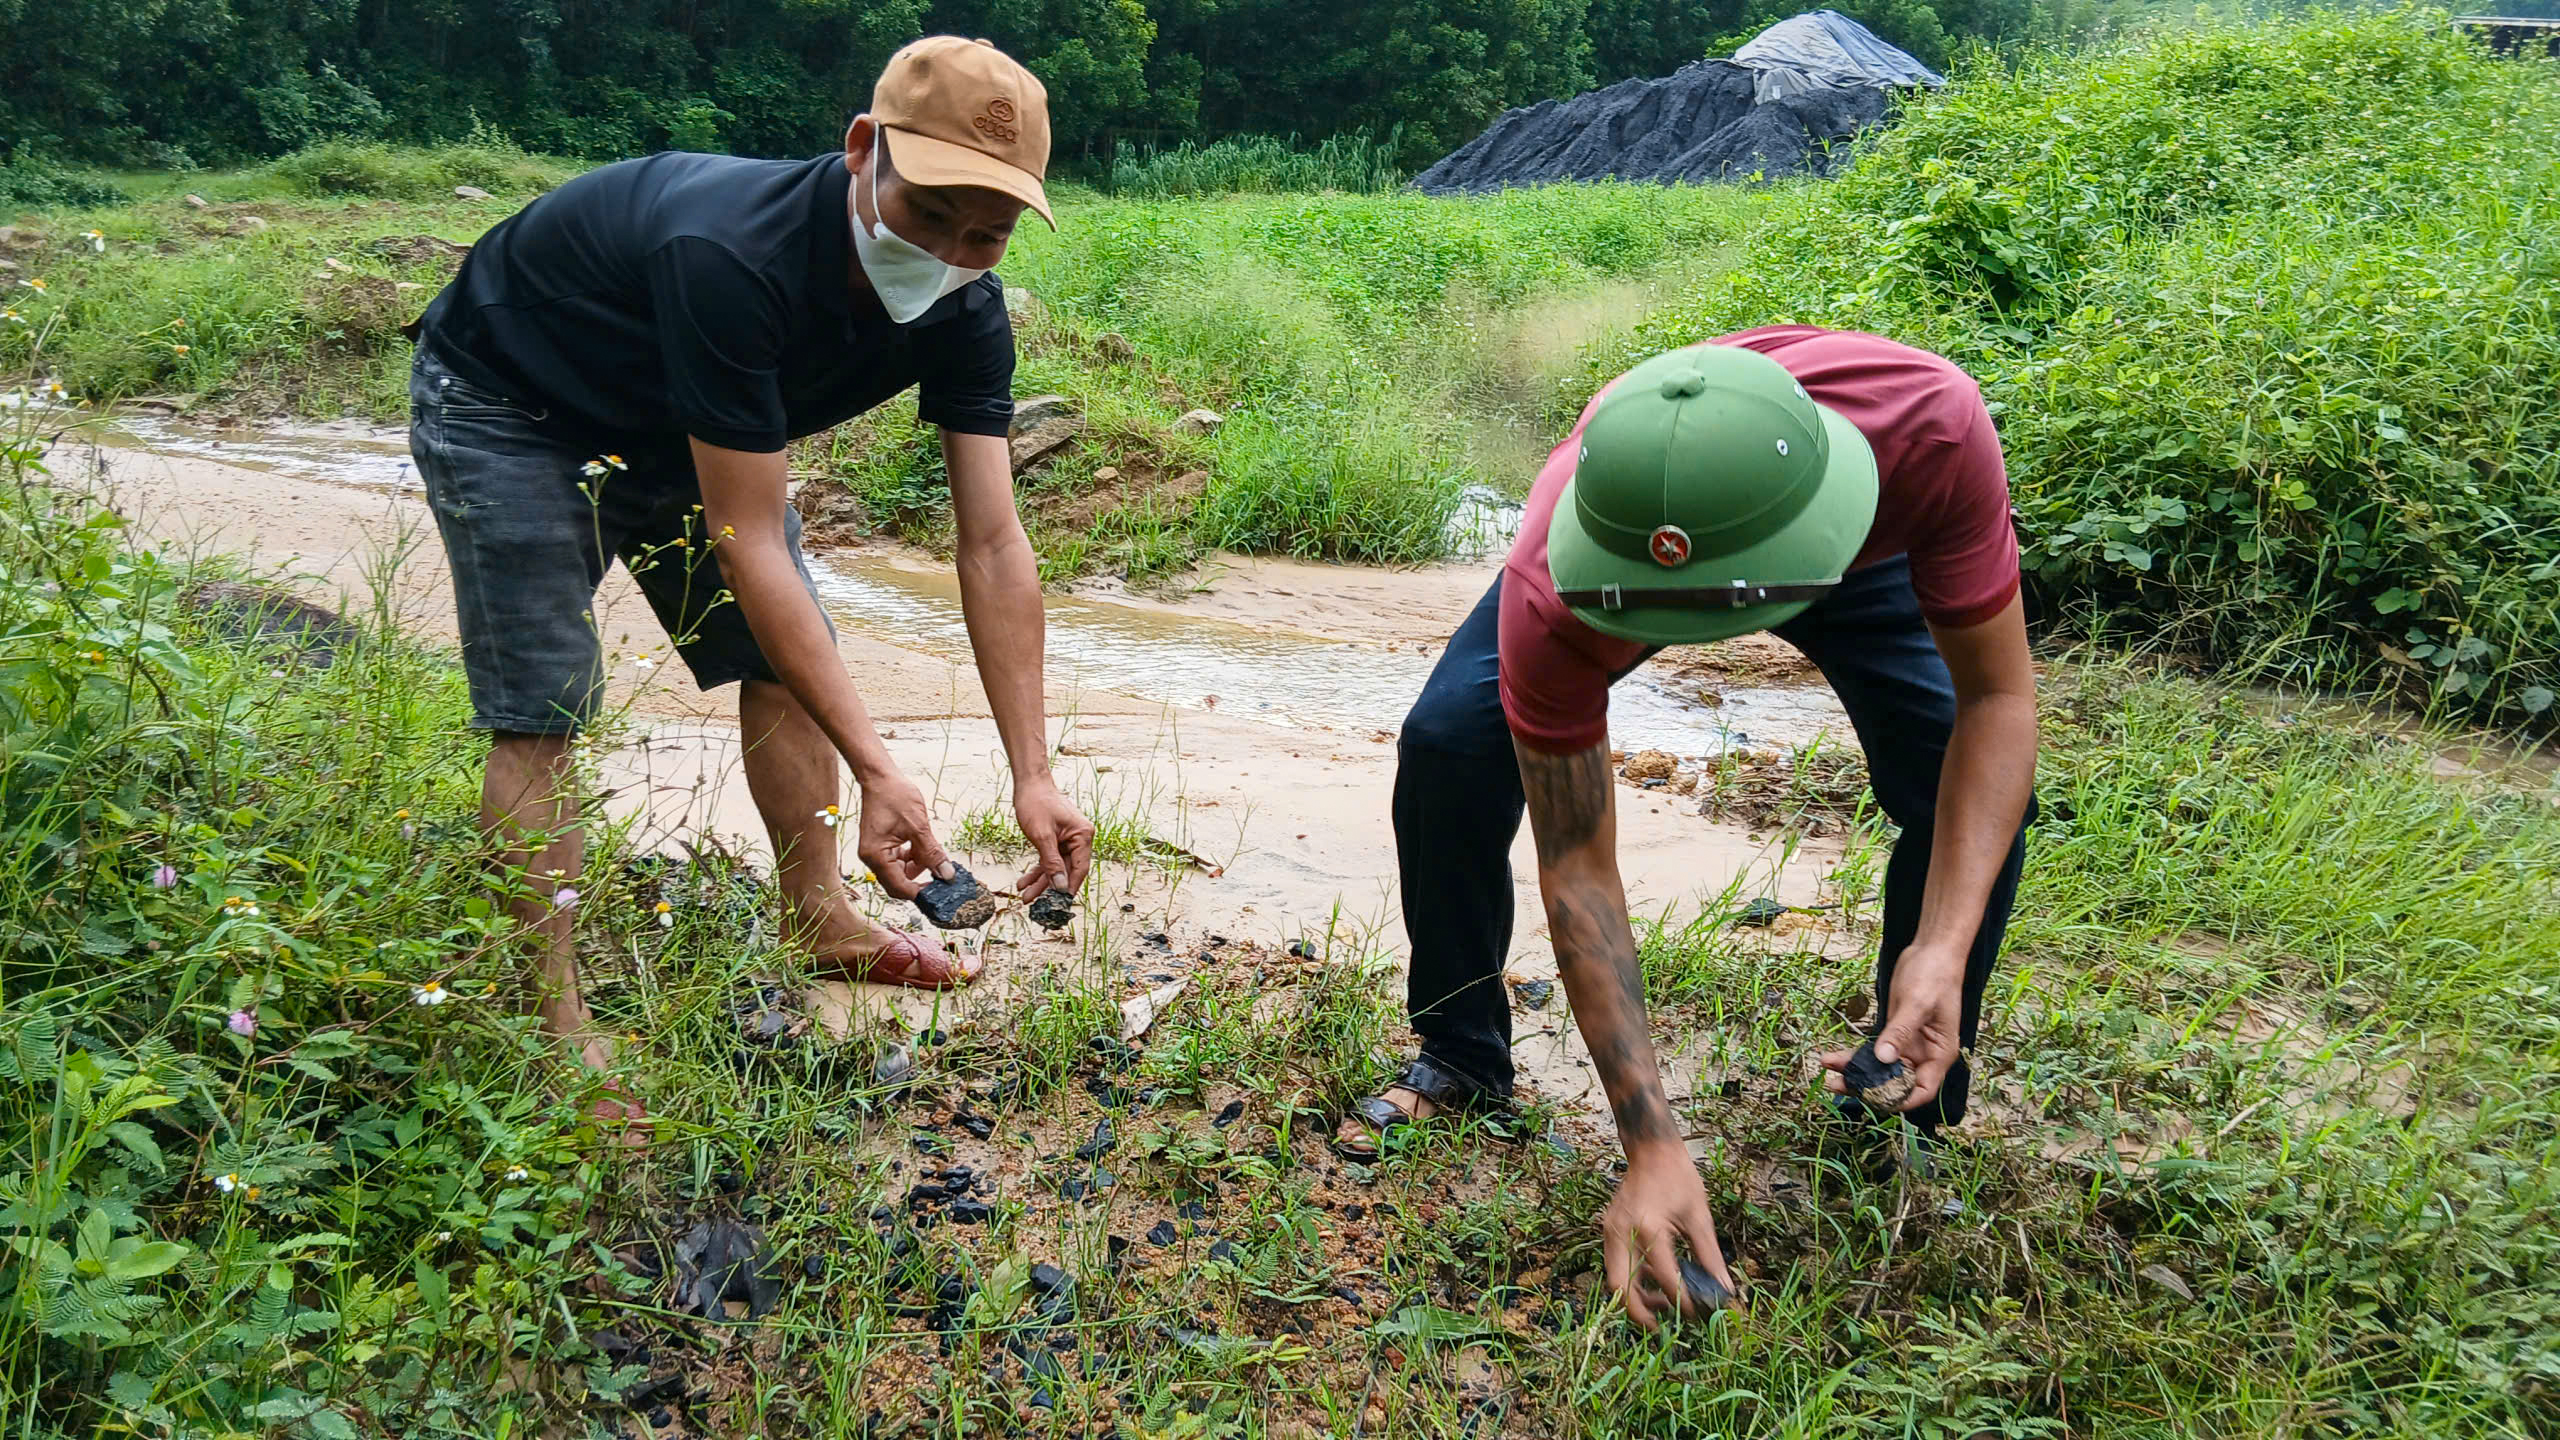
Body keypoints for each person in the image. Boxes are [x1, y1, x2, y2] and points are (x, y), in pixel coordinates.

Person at [404, 36, 1095, 1119]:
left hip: (676, 423)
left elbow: (994, 545)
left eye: (990, 229)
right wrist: (879, 769)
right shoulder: (730, 254)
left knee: (785, 665)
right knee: (541, 703)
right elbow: (752, 539)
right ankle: (553, 1035)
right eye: (931, 213)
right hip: (515, 400)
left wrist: (1033, 771)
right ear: (864, 150)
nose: (956, 250)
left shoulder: (965, 308)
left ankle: (817, 914)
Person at [1339, 328, 2038, 1328]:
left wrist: (1944, 941)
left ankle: (1903, 1100)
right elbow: (1578, 861)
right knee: (1448, 745)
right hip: (1642, 562)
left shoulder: (1927, 430)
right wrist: (1650, 1141)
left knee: (1961, 788)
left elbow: (1997, 702)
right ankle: (1461, 1057)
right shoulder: (1562, 575)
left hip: (1845, 541)